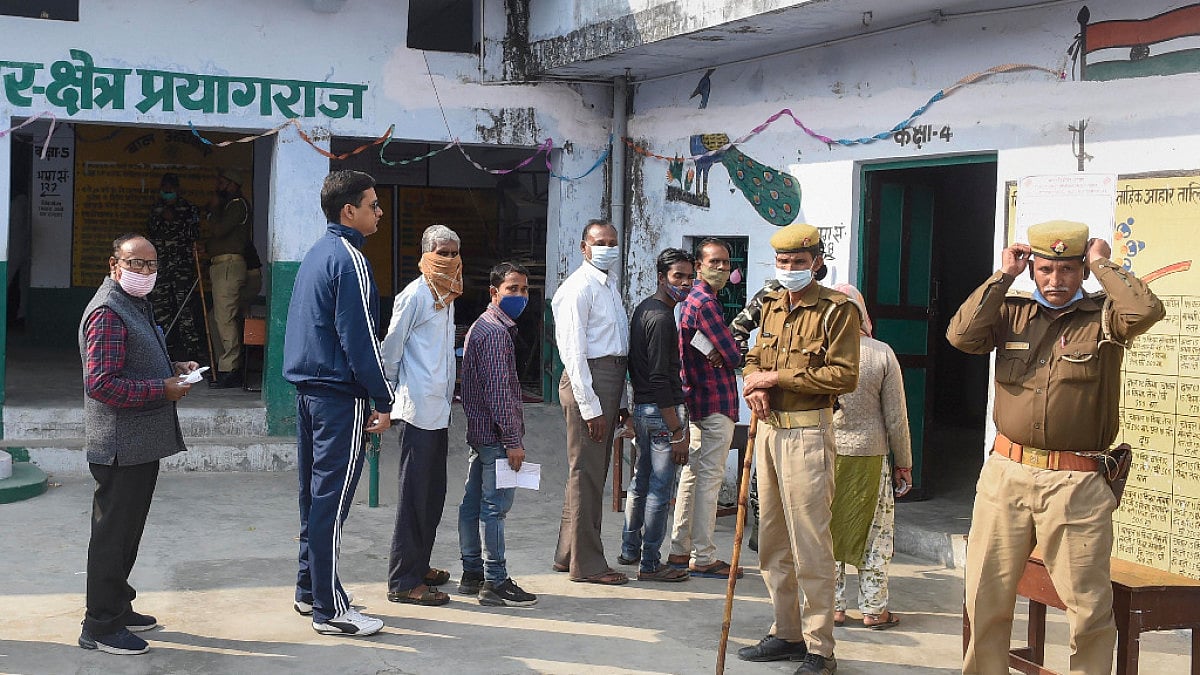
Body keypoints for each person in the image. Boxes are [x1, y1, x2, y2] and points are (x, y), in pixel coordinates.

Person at [948, 220, 1164, 675]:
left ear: (1082, 270)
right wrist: (1003, 275)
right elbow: (961, 336)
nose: (1056, 280)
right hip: (1005, 474)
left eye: (1068, 270)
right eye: (1045, 269)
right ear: (1033, 269)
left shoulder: (1105, 316)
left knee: (1087, 606)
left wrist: (1105, 265)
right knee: (985, 595)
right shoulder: (1010, 312)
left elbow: (1146, 310)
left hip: (1076, 481)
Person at [738, 223, 860, 675]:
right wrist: (754, 384)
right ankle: (786, 631)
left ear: (816, 262)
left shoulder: (836, 310)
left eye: (797, 263)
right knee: (771, 539)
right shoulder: (770, 304)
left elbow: (844, 375)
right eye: (783, 263)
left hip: (809, 432)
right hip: (768, 428)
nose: (789, 270)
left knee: (810, 541)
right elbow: (753, 355)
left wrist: (777, 379)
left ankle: (820, 647)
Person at [283, 170, 394, 637]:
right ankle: (331, 609)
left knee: (315, 499)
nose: (379, 213)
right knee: (332, 503)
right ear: (349, 210)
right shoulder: (350, 260)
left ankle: (309, 590)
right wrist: (383, 396)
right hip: (337, 397)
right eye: (372, 204)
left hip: (309, 392)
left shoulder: (316, 253)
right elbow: (360, 337)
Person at [78, 234, 198, 655]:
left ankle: (116, 605)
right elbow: (101, 384)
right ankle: (100, 625)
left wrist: (174, 368)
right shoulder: (109, 312)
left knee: (127, 533)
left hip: (139, 444)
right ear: (115, 266)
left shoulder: (136, 306)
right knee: (112, 535)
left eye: (151, 265)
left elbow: (132, 360)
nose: (145, 272)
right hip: (119, 446)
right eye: (136, 264)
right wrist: (159, 390)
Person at [381, 224, 462, 607]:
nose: (448, 259)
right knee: (415, 496)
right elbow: (391, 349)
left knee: (433, 495)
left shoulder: (447, 295)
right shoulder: (413, 295)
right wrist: (388, 399)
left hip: (439, 409)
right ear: (427, 253)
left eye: (453, 253)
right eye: (441, 252)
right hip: (416, 410)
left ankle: (420, 564)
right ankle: (403, 580)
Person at [828, 283, 912, 631]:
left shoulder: (819, 352)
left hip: (825, 455)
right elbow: (896, 417)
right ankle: (874, 609)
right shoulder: (881, 353)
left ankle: (831, 606)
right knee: (876, 533)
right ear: (863, 316)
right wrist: (904, 463)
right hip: (870, 455)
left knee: (825, 529)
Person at [456, 262, 539, 607]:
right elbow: (500, 392)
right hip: (495, 437)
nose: (520, 296)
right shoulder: (494, 333)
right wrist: (513, 441)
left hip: (482, 434)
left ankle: (472, 572)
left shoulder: (487, 327)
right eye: (512, 289)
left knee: (472, 504)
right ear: (494, 292)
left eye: (524, 289)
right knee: (495, 508)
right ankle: (495, 579)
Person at [552, 219, 630, 585]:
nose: (607, 247)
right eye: (600, 242)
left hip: (610, 380)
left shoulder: (609, 286)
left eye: (612, 241)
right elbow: (574, 354)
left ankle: (568, 553)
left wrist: (620, 400)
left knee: (588, 472)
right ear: (584, 247)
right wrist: (592, 407)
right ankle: (589, 564)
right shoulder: (578, 289)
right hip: (590, 382)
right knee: (587, 474)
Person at [667, 238, 744, 579]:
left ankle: (680, 550)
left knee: (692, 477)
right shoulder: (705, 304)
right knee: (708, 480)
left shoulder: (688, 301)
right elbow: (733, 354)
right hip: (715, 400)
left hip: (697, 399)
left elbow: (718, 349)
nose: (722, 269)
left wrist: (722, 349)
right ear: (699, 265)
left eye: (726, 263)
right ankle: (705, 555)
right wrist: (729, 348)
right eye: (715, 262)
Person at [619, 247, 694, 583]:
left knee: (641, 481)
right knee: (659, 490)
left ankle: (629, 549)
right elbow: (661, 378)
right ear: (662, 278)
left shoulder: (646, 309)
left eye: (690, 277)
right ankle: (650, 563)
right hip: (661, 412)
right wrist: (677, 430)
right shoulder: (662, 318)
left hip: (643, 409)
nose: (686, 283)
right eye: (679, 276)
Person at [730, 277, 783, 553]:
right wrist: (751, 376)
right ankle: (761, 530)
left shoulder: (827, 301)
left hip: (802, 399)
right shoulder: (772, 292)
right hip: (768, 398)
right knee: (762, 466)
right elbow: (737, 328)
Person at [145, 173, 206, 365]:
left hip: (182, 268)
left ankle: (192, 353)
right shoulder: (156, 209)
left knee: (185, 310)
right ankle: (164, 351)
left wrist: (176, 218)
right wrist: (162, 216)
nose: (167, 192)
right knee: (161, 311)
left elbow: (194, 233)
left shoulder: (189, 209)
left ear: (178, 189)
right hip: (161, 268)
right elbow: (151, 230)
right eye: (165, 188)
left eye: (171, 188)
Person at [205, 168, 251, 389]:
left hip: (229, 266)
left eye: (223, 182)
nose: (219, 186)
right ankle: (221, 364)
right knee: (217, 317)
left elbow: (219, 230)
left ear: (233, 184)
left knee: (224, 318)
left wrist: (213, 209)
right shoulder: (228, 206)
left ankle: (229, 369)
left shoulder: (236, 205)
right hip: (221, 266)